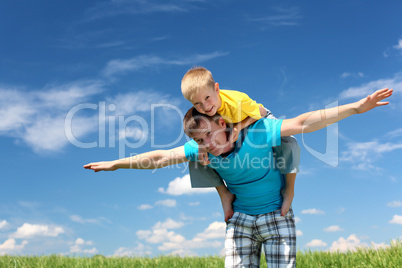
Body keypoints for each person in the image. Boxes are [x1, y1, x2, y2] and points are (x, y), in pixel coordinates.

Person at [84, 88, 392, 267]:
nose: (209, 144)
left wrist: (355, 108)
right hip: (240, 220)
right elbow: (161, 157)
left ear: (222, 121)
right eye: (201, 141)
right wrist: (117, 163)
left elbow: (303, 123)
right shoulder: (203, 150)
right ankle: (225, 197)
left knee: (287, 141)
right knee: (193, 159)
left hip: (276, 214)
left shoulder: (257, 130)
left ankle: (288, 192)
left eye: (209, 135)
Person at [181, 67, 300, 221]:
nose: (205, 107)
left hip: (253, 118)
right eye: (197, 103)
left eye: (207, 98)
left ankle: (289, 189)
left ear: (216, 89)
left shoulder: (236, 102)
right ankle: (224, 194)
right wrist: (202, 146)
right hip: (230, 128)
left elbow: (261, 112)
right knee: (197, 156)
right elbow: (204, 131)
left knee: (289, 142)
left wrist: (239, 127)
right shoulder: (205, 111)